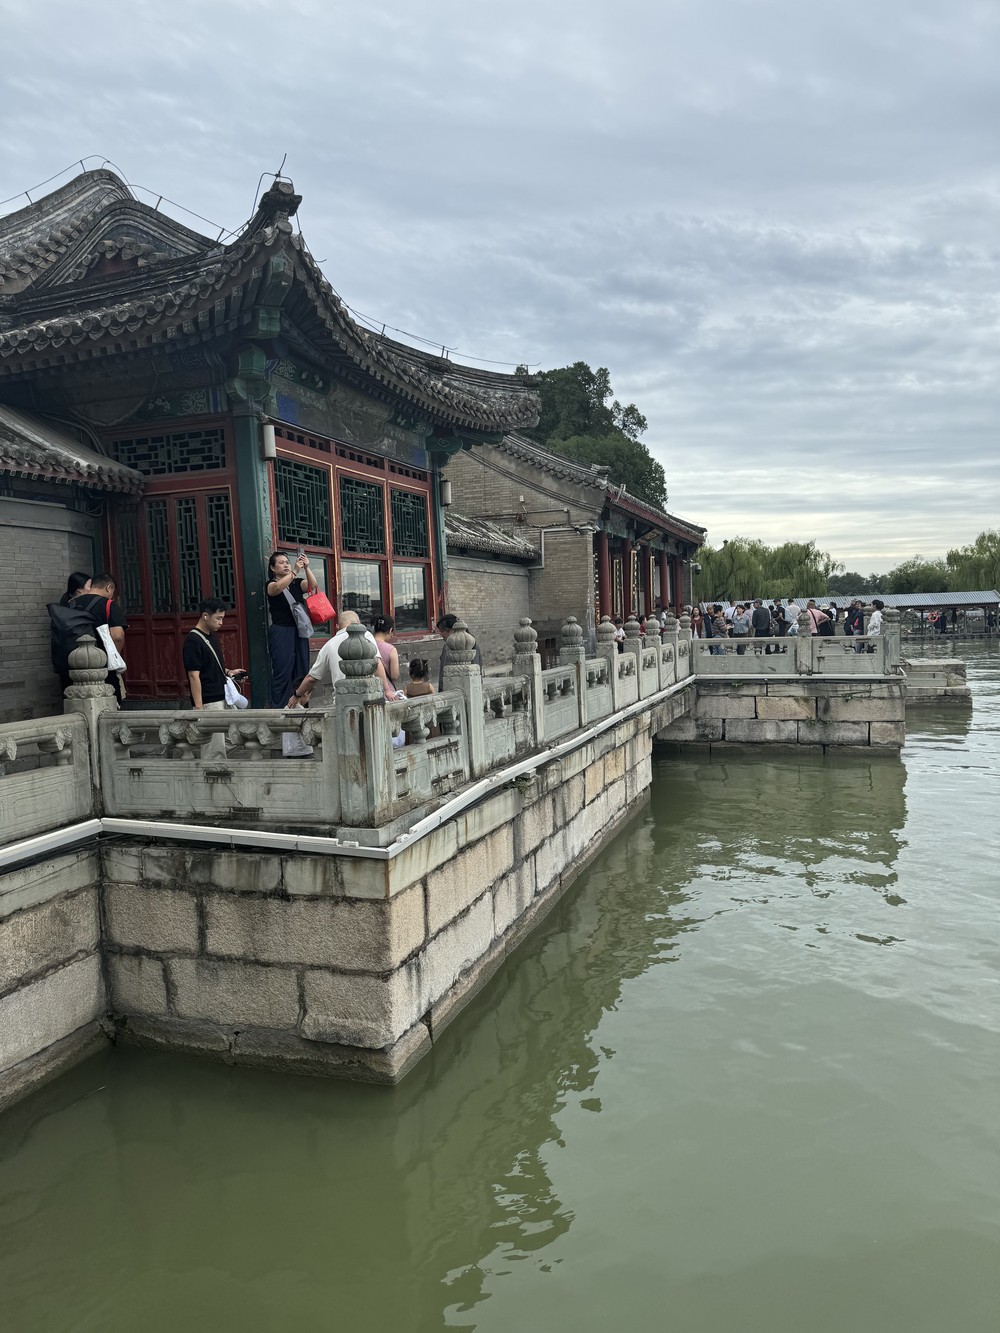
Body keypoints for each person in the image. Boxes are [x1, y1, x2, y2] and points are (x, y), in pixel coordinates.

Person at [289, 610, 400, 707]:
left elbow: (311, 678)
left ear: (337, 626)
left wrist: (296, 695)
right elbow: (377, 664)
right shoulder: (365, 635)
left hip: (341, 703)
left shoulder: (329, 645)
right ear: (358, 623)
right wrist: (387, 690)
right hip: (368, 698)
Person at [183, 599, 246, 758]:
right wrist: (199, 708)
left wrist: (229, 672)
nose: (221, 622)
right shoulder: (193, 640)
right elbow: (193, 675)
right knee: (214, 750)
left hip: (223, 696)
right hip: (209, 701)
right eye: (218, 618)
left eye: (222, 618)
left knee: (237, 736)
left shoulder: (211, 636)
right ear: (205, 616)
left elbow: (211, 665)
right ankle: (212, 770)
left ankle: (210, 763)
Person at [266, 550, 318, 708]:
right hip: (282, 631)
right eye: (281, 562)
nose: (286, 565)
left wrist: (306, 567)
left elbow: (312, 586)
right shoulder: (271, 584)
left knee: (302, 670)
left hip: (300, 631)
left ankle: (300, 705)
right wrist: (294, 570)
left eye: (287, 562)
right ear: (273, 568)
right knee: (282, 671)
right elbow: (276, 588)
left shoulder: (296, 583)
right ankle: (280, 708)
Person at [72, 572, 127, 703]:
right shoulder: (108, 604)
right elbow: (118, 636)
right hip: (102, 665)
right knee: (110, 702)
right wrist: (114, 655)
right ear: (108, 588)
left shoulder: (71, 604)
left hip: (75, 664)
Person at [436, 613, 483, 690]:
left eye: (442, 631)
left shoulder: (470, 644)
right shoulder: (447, 645)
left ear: (452, 631)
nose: (440, 634)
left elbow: (477, 667)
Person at [372, 615, 400, 687]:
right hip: (387, 689)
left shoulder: (367, 644)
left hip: (371, 688)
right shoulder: (391, 650)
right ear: (390, 630)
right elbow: (395, 676)